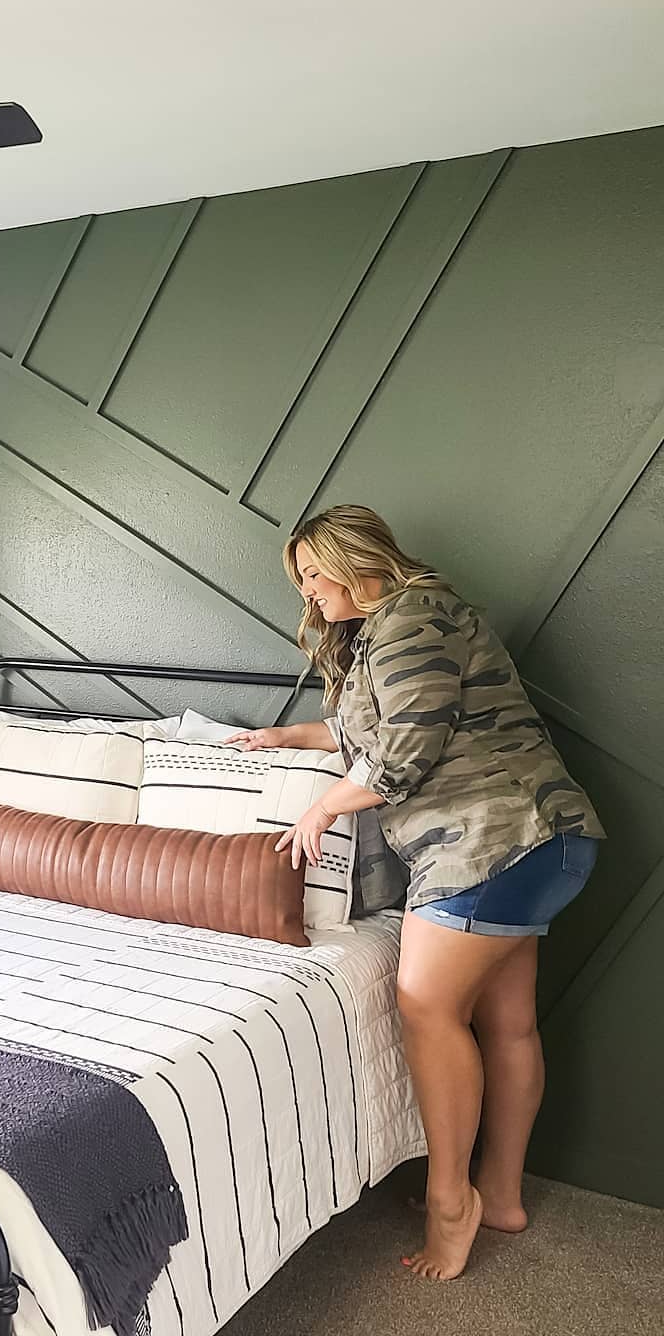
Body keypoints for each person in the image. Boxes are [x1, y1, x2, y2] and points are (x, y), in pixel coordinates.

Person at [224, 504, 604, 1280]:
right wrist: (283, 739)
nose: (308, 596)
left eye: (312, 575)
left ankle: (450, 1205)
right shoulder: (396, 630)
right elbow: (366, 728)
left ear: (352, 558)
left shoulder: (408, 616)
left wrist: (325, 804)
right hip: (538, 840)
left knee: (426, 1005)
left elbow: (409, 742)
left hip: (492, 841)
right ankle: (498, 1195)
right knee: (507, 1021)